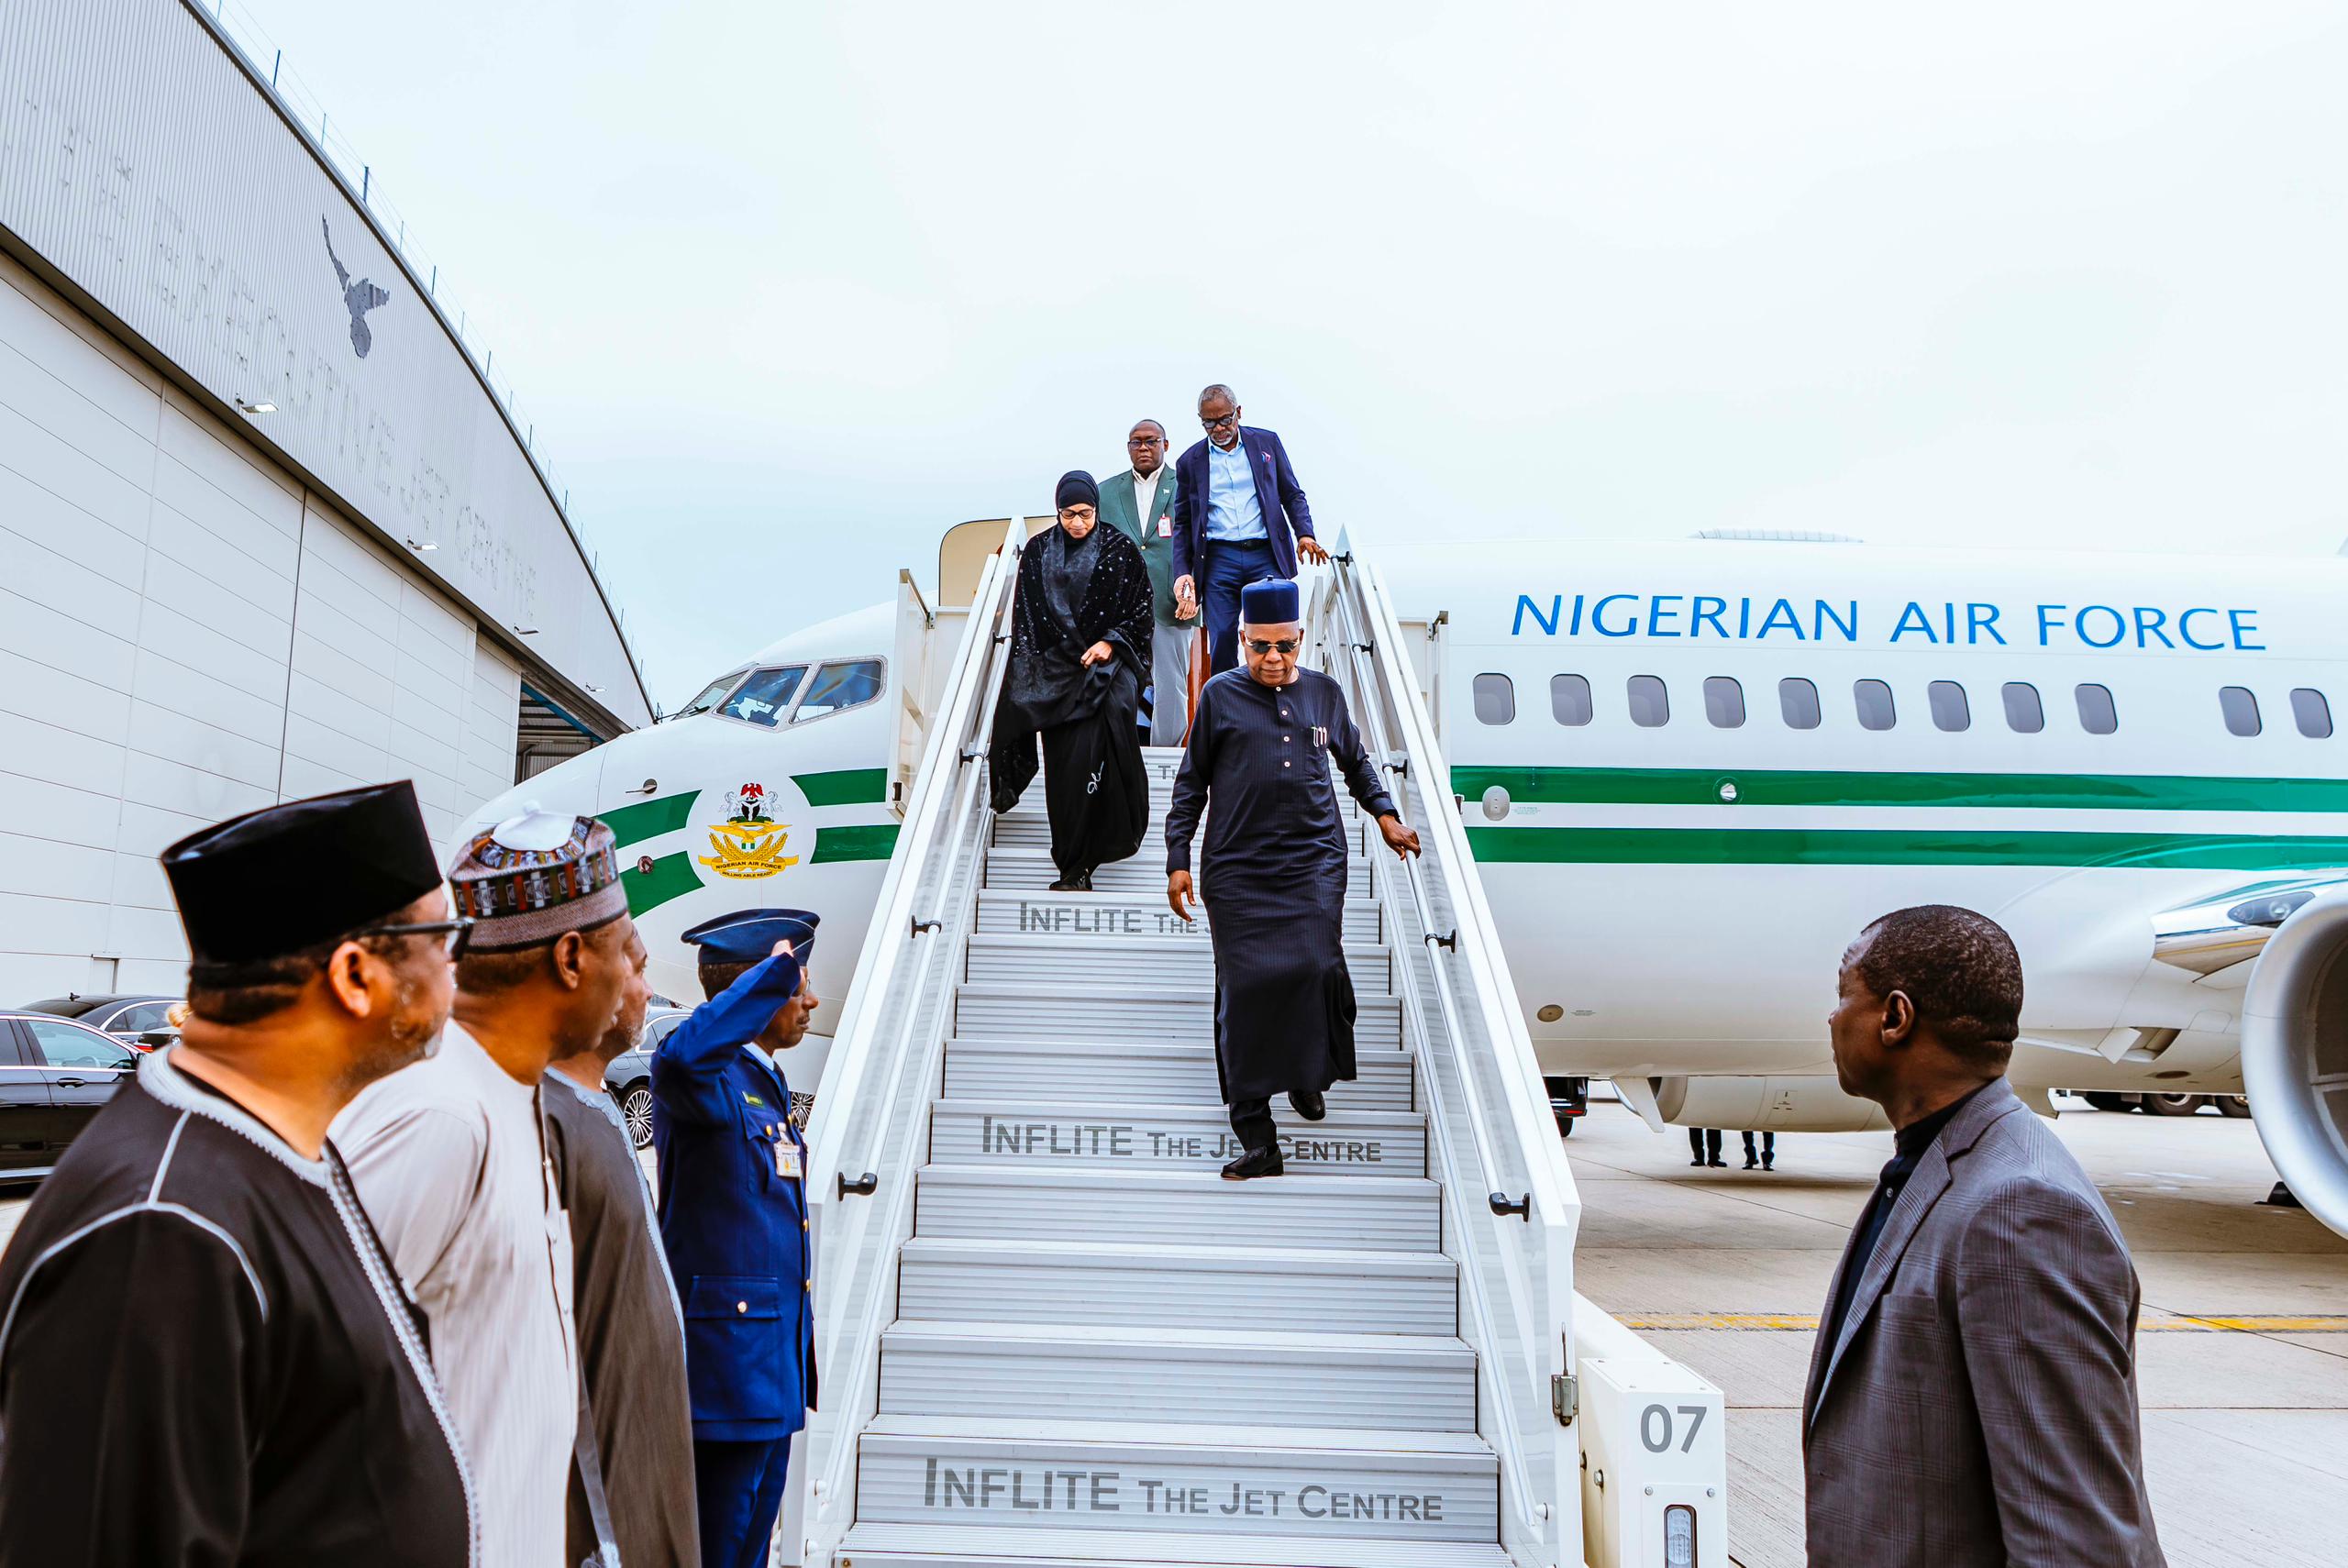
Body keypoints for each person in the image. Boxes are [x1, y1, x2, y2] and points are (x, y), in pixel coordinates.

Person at [0, 782, 475, 1564]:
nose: (456, 977)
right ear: (357, 975)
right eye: (443, 941)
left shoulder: (268, 1151)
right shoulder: (161, 1234)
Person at [1807, 904, 2165, 1566]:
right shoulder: (1938, 1167)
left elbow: (2073, 1539)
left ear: (1894, 1017)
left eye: (1843, 995)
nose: (1831, 1018)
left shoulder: (2019, 1211)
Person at [336, 808, 639, 1568]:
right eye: (621, 950)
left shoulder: (512, 1095)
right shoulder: (438, 1116)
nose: (631, 975)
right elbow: (314, 1401)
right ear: (571, 958)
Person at [1166, 578, 1423, 1178]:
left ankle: (1310, 1072)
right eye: (1260, 647)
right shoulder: (1220, 697)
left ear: (1301, 639)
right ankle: (1259, 1139)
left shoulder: (1325, 696)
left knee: (1317, 968)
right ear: (1242, 641)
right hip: (1236, 870)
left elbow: (1356, 762)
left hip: (1313, 860)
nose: (1273, 659)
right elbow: (1190, 784)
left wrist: (1384, 815)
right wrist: (1178, 857)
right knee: (1244, 995)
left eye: (1284, 646)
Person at [654, 908, 824, 1568]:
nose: (809, 1000)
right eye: (794, 987)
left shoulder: (763, 1083)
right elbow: (679, 1058)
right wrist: (769, 976)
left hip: (767, 1375)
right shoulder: (705, 1077)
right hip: (724, 1380)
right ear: (751, 995)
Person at [545, 922, 701, 1568]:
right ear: (574, 965)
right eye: (636, 968)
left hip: (644, 1468)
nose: (648, 989)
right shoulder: (546, 1120)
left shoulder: (596, 1104)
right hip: (594, 1507)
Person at [989, 469, 1155, 891]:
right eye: (1068, 514)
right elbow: (1026, 620)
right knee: (1065, 771)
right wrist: (1034, 673)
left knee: (1113, 734)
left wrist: (1111, 644)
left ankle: (1107, 843)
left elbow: (1141, 612)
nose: (1078, 523)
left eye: (1085, 513)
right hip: (1057, 674)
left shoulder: (1120, 548)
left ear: (1097, 509)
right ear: (1057, 511)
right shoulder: (1039, 551)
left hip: (1108, 669)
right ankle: (1073, 867)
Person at [1168, 383, 1327, 674]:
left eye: (1225, 419)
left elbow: (1291, 494)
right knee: (1222, 638)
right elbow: (1182, 522)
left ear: (1238, 413)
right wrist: (1183, 571)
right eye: (1210, 423)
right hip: (1218, 560)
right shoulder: (1189, 462)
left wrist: (1305, 534)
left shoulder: (1266, 443)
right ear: (1201, 421)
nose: (1218, 428)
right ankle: (1227, 707)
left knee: (1275, 633)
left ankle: (1278, 698)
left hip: (1266, 554)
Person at [1095, 417, 1196, 745]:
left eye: (1151, 441)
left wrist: (1194, 589)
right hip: (1120, 605)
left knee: (1171, 681)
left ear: (1165, 445)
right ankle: (1120, 745)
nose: (1143, 447)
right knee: (1116, 676)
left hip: (1171, 602)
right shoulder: (1106, 492)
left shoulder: (1188, 486)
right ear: (1128, 448)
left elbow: (1202, 544)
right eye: (1136, 442)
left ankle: (1165, 751)